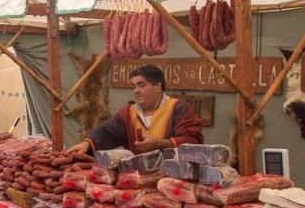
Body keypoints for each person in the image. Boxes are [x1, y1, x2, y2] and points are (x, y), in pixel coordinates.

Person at [66, 64, 204, 156]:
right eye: (134, 86)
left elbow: (193, 141)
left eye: (141, 85)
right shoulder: (128, 113)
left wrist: (160, 144)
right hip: (136, 180)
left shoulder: (179, 109)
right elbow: (106, 131)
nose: (136, 91)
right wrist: (86, 143)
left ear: (157, 86)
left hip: (171, 180)